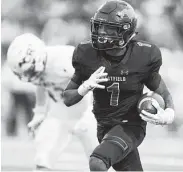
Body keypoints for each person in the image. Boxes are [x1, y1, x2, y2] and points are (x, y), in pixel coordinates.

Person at [63, 0, 175, 171]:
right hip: (103, 126)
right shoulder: (86, 54)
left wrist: (169, 113)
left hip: (131, 125)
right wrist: (85, 86)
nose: (101, 33)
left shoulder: (143, 55)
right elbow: (67, 98)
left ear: (125, 31)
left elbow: (163, 92)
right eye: (99, 27)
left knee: (97, 162)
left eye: (109, 29)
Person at [7, 33, 98, 171]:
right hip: (60, 110)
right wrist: (40, 112)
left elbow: (96, 80)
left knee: (99, 161)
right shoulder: (38, 68)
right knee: (43, 157)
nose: (28, 76)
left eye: (29, 71)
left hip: (87, 107)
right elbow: (41, 84)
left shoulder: (66, 59)